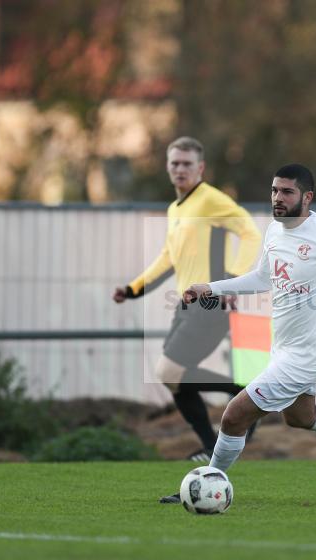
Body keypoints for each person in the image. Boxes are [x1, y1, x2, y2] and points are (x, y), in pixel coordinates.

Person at [159, 163, 316, 503]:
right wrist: (211, 288)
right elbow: (262, 278)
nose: (278, 198)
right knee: (301, 416)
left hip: (310, 353)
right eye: (274, 190)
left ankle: (207, 484)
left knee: (234, 416)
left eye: (287, 192)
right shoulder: (275, 230)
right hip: (285, 348)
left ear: (307, 197)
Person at [114, 136, 262, 463]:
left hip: (211, 303)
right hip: (185, 306)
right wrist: (133, 288)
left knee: (168, 370)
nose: (180, 169)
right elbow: (168, 257)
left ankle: (246, 392)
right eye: (175, 163)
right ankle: (213, 444)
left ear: (200, 167)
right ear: (168, 167)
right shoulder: (176, 209)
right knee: (173, 380)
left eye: (186, 164)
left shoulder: (211, 200)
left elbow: (250, 232)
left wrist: (232, 281)